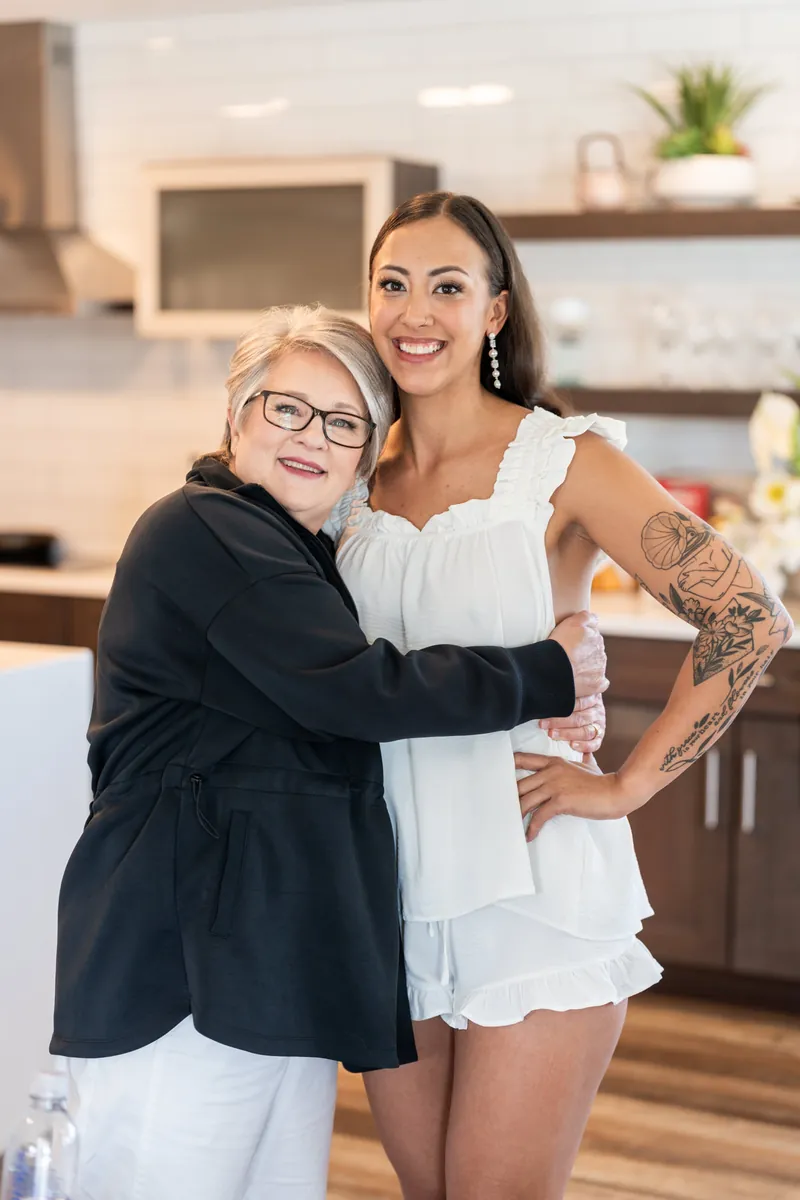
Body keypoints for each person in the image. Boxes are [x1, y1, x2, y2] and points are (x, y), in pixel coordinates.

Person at [50, 305, 608, 1200]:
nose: (312, 437)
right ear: (236, 417)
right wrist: (550, 671)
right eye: (286, 409)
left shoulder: (301, 552)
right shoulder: (203, 528)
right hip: (182, 971)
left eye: (345, 422)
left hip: (269, 970)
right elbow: (352, 689)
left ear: (365, 456)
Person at [327, 192, 794, 1200]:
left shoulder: (558, 460)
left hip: (528, 882)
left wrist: (623, 786)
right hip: (383, 885)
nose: (416, 311)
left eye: (447, 286)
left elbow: (745, 616)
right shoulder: (351, 475)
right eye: (393, 284)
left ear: (492, 311)